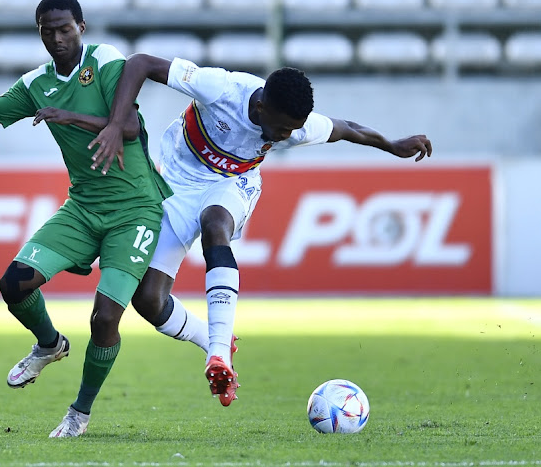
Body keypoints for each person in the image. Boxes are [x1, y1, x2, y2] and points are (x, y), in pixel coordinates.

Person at [90, 54, 433, 407]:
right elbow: (141, 63)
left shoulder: (295, 126)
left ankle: (218, 354)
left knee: (215, 226)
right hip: (174, 186)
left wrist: (391, 145)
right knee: (148, 301)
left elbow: (347, 128)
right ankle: (213, 341)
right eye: (282, 128)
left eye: (293, 129)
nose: (288, 136)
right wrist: (118, 121)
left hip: (232, 184)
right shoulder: (220, 88)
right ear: (263, 105)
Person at [0, 0, 172, 438]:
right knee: (13, 283)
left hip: (135, 209)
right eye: (46, 31)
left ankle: (79, 413)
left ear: (82, 28)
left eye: (64, 29)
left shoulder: (107, 61)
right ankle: (50, 344)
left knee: (105, 318)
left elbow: (128, 126)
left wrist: (67, 116)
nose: (56, 38)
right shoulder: (36, 83)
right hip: (84, 206)